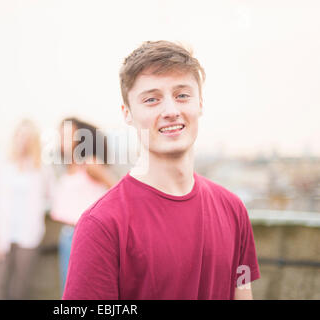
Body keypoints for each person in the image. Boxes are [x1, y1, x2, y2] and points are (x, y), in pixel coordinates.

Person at [63, 41, 260, 300]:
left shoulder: (234, 210)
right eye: (152, 99)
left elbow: (242, 292)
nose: (170, 111)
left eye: (182, 95)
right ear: (128, 113)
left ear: (200, 103)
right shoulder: (101, 226)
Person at [0, 119, 54, 299]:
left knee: (20, 289)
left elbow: (54, 196)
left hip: (28, 236)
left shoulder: (42, 167)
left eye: (29, 137)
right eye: (20, 135)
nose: (23, 140)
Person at [51, 117, 117, 294]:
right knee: (68, 289)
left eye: (67, 135)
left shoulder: (89, 163)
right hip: (67, 234)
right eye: (60, 135)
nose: (62, 139)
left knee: (81, 292)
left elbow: (117, 189)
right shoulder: (68, 165)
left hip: (86, 236)